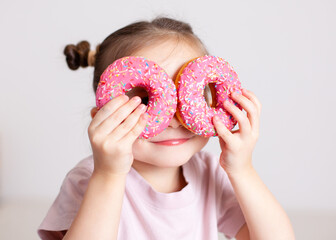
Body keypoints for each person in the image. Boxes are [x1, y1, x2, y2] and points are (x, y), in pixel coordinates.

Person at [37, 16, 295, 240]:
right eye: (147, 100)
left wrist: (242, 169)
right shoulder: (89, 179)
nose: (172, 118)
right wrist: (109, 174)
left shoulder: (210, 174)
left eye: (189, 98)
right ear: (102, 119)